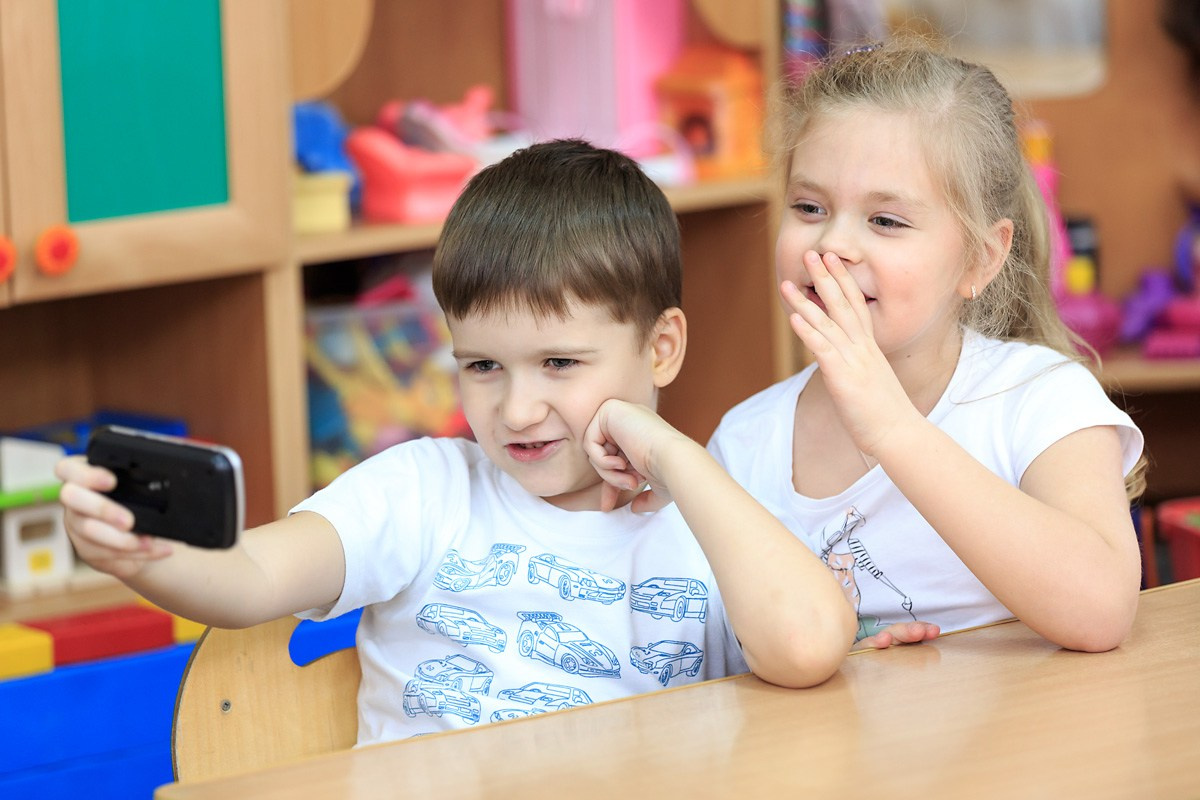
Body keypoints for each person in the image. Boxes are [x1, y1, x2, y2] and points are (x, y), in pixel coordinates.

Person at [56, 139, 854, 745]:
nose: (515, 408)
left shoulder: (716, 517)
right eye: (482, 365)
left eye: (559, 363)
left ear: (661, 348)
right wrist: (146, 556)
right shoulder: (423, 489)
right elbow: (253, 577)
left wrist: (673, 455)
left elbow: (808, 646)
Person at [707, 41, 1146, 653]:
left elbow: (1102, 611)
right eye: (809, 207)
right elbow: (720, 660)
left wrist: (890, 426)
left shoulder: (1044, 401)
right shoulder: (743, 443)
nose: (832, 243)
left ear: (981, 257)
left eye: (886, 220)